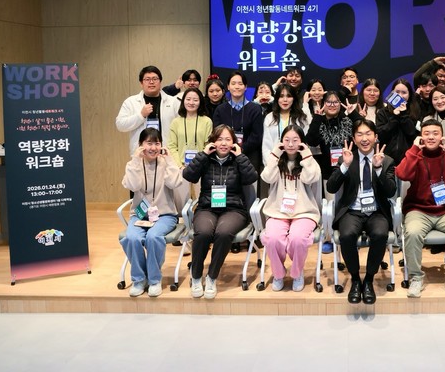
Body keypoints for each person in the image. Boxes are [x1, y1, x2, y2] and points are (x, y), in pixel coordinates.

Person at [395, 119, 445, 298]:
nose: (431, 137)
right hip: (418, 210)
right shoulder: (415, 156)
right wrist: (414, 150)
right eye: (426, 133)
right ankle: (416, 277)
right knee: (413, 233)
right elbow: (402, 174)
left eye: (435, 133)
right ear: (421, 137)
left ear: (442, 137)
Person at [183, 125, 258, 299]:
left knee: (223, 233)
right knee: (203, 233)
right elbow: (188, 175)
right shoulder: (205, 159)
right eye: (219, 139)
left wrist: (240, 156)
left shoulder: (238, 159)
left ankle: (211, 277)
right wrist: (202, 154)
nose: (223, 143)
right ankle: (196, 276)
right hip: (207, 207)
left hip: (234, 209)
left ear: (234, 143)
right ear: (213, 142)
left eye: (228, 139)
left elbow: (251, 178)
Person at [327, 119, 397, 304]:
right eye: (359, 134)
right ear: (353, 138)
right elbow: (331, 188)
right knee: (347, 235)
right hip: (352, 211)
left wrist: (378, 168)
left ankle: (369, 280)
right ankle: (356, 279)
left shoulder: (386, 161)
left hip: (376, 211)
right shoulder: (346, 158)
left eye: (368, 134)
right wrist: (345, 166)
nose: (364, 138)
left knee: (380, 234)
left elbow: (391, 191)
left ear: (375, 137)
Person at [120, 128, 184, 297]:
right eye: (149, 143)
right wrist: (136, 160)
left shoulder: (166, 162)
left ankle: (154, 279)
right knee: (131, 238)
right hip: (140, 215)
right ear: (141, 145)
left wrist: (170, 160)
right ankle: (139, 279)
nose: (153, 147)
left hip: (165, 215)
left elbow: (174, 183)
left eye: (157, 143)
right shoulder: (133, 164)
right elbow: (133, 186)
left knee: (153, 237)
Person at [260, 125, 321, 292]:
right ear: (281, 142)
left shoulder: (309, 162)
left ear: (302, 142)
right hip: (278, 212)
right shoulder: (276, 161)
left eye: (295, 140)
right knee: (272, 238)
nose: (291, 144)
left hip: (304, 212)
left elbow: (310, 178)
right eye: (286, 140)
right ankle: (278, 274)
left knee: (298, 238)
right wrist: (274, 155)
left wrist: (307, 156)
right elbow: (267, 177)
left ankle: (297, 272)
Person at [116, 65, 179, 157]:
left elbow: (180, 126)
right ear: (141, 83)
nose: (151, 82)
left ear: (160, 82)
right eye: (147, 79)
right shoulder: (131, 102)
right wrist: (141, 115)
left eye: (155, 79)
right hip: (141, 154)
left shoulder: (173, 102)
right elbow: (120, 125)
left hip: (166, 154)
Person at [212, 71, 265, 172]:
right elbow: (216, 134)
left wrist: (240, 149)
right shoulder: (220, 110)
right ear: (228, 87)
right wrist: (229, 148)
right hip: (225, 155)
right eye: (233, 83)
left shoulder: (255, 109)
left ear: (245, 87)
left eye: (240, 84)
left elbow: (256, 136)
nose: (237, 87)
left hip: (250, 157)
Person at [305, 90, 356, 178]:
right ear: (323, 104)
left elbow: (365, 131)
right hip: (327, 172)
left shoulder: (348, 120)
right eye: (328, 102)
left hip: (350, 169)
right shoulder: (319, 121)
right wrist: (317, 117)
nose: (332, 105)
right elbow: (311, 141)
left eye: (335, 102)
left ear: (340, 104)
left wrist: (353, 113)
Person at [261, 83, 312, 165]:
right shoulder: (269, 118)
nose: (285, 100)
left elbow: (306, 144)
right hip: (274, 164)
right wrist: (271, 164)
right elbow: (266, 146)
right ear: (277, 98)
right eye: (281, 96)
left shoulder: (301, 118)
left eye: (289, 96)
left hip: (298, 164)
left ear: (294, 98)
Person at [375, 78, 421, 165]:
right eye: (397, 92)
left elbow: (413, 134)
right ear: (392, 93)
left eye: (404, 92)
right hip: (386, 160)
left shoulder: (416, 111)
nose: (400, 96)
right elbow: (381, 135)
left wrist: (403, 115)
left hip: (409, 160)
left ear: (409, 94)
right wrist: (394, 117)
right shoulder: (383, 112)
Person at [167, 88, 213, 170]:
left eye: (195, 100)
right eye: (188, 99)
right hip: (180, 168)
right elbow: (172, 146)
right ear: (183, 101)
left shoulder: (207, 121)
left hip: (201, 167)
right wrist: (180, 166)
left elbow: (207, 145)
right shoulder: (175, 122)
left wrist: (199, 164)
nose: (191, 103)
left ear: (200, 102)